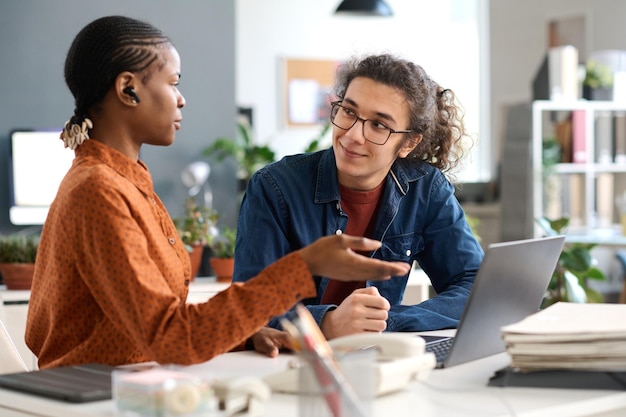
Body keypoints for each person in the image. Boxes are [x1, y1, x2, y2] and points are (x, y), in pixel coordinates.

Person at [24, 16, 411, 370]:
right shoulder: (98, 190)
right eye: (174, 82)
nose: (181, 98)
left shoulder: (125, 181)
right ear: (129, 89)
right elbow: (173, 340)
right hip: (94, 400)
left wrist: (239, 335)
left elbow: (152, 321)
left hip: (134, 387)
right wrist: (305, 265)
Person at [233, 53, 484, 356]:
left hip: (379, 359)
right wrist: (326, 323)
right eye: (348, 112)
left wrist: (383, 321)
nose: (353, 135)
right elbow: (248, 310)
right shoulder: (274, 188)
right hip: (294, 366)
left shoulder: (426, 189)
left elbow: (475, 285)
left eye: (379, 125)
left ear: (408, 143)